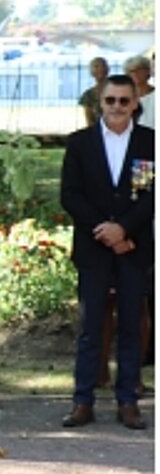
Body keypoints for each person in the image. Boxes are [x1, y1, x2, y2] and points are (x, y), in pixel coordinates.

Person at [60, 74, 154, 431]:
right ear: (101, 102)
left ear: (134, 104)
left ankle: (128, 400)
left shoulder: (149, 142)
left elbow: (150, 196)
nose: (116, 107)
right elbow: (70, 194)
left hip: (132, 249)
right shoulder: (80, 143)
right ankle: (82, 401)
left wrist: (124, 230)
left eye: (124, 101)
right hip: (94, 248)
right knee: (91, 326)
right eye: (110, 100)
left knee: (132, 325)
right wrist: (104, 230)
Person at [124, 53, 155, 130]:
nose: (135, 74)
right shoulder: (125, 97)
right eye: (131, 71)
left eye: (139, 70)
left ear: (148, 71)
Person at [78, 56, 109, 127]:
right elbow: (89, 120)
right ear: (91, 72)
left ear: (107, 69)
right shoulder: (88, 95)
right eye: (96, 67)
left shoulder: (118, 90)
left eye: (103, 66)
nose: (100, 69)